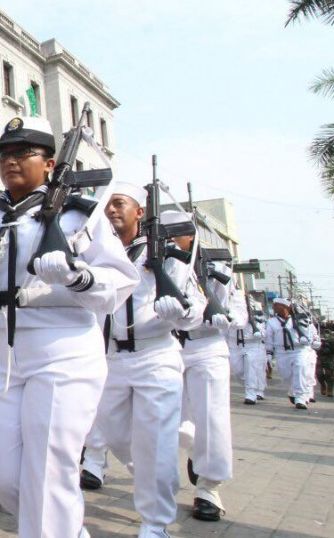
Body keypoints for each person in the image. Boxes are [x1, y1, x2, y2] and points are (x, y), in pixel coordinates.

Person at [0, 117, 138, 538]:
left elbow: (121, 279)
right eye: (4, 154)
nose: (10, 161)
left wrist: (79, 278)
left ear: (50, 163)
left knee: (48, 468)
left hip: (61, 348)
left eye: (23, 153)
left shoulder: (82, 214)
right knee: (3, 473)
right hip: (1, 351)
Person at [95, 184, 205, 538]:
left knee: (155, 444)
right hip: (110, 358)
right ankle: (154, 471)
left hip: (155, 355)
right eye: (108, 204)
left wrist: (181, 313)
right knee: (115, 437)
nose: (112, 210)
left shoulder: (166, 253)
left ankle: (156, 525)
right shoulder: (98, 252)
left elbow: (196, 306)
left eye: (119, 203)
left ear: (139, 212)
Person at [170, 215, 244, 523]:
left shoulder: (219, 269)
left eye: (173, 235)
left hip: (207, 346)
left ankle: (208, 489)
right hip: (169, 346)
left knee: (211, 419)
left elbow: (240, 312)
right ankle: (196, 450)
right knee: (170, 419)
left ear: (190, 237)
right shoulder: (162, 265)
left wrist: (225, 317)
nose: (168, 240)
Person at [266, 298, 316, 409]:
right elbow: (269, 337)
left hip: (299, 350)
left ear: (285, 307)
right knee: (286, 376)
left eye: (276, 305)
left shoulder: (299, 319)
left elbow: (309, 331)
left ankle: (300, 398)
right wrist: (268, 352)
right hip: (282, 352)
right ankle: (292, 392)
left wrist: (309, 340)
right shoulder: (271, 322)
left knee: (299, 370)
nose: (273, 307)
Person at [231, 302, 269, 404]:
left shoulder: (254, 309)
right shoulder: (231, 307)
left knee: (251, 369)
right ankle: (253, 385)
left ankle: (251, 394)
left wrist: (260, 334)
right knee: (238, 372)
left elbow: (262, 327)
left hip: (252, 344)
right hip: (235, 344)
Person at [317, 324, 334, 398]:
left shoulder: (333, 339)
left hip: (330, 358)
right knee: (319, 374)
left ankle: (330, 390)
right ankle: (323, 385)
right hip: (319, 357)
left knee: (329, 375)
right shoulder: (317, 338)